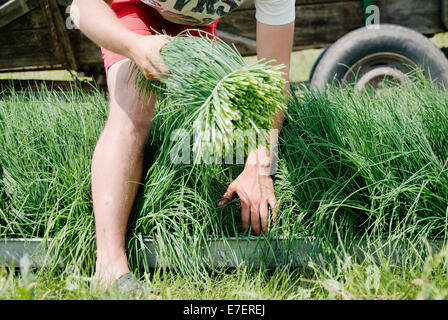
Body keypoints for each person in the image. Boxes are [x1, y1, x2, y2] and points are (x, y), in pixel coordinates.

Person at [71, 0, 295, 289]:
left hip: (196, 24)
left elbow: (275, 79)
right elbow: (82, 5)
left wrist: (259, 165)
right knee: (133, 105)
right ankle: (110, 266)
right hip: (131, 8)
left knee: (211, 118)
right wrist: (132, 45)